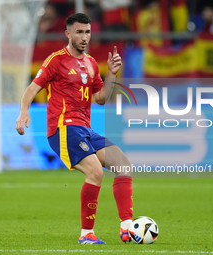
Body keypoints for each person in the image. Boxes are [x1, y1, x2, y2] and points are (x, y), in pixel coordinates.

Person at [16, 13, 133, 244]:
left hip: (85, 129)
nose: (84, 37)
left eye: (87, 32)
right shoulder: (55, 60)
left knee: (123, 165)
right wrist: (23, 111)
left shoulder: (90, 64)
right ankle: (86, 234)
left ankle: (127, 227)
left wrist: (111, 73)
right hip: (63, 128)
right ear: (68, 33)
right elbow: (32, 88)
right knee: (96, 172)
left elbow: (100, 98)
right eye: (79, 32)